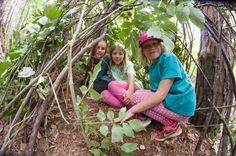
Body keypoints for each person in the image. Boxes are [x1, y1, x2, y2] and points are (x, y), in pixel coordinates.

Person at [117, 32, 196, 141]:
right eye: (147, 46)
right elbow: (155, 91)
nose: (152, 48)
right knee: (138, 94)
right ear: (143, 51)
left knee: (135, 99)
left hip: (181, 106)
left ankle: (172, 125)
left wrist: (132, 110)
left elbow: (160, 95)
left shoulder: (169, 58)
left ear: (161, 45)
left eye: (155, 44)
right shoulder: (153, 65)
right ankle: (147, 116)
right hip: (173, 100)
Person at [101, 42, 143, 108]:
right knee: (104, 94)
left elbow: (131, 76)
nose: (117, 56)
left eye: (120, 54)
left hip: (132, 86)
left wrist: (130, 90)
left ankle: (136, 106)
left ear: (124, 55)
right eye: (114, 53)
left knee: (112, 85)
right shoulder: (111, 66)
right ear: (111, 55)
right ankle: (127, 106)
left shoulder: (128, 64)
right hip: (120, 90)